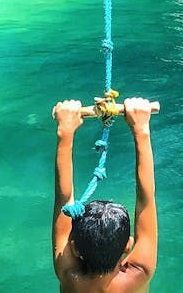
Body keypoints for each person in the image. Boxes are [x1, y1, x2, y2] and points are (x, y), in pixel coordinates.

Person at [52, 97, 157, 292]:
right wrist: (141, 128)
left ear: (74, 248)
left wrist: (65, 131)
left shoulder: (69, 275)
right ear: (128, 245)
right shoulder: (140, 273)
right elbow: (146, 200)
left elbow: (64, 201)